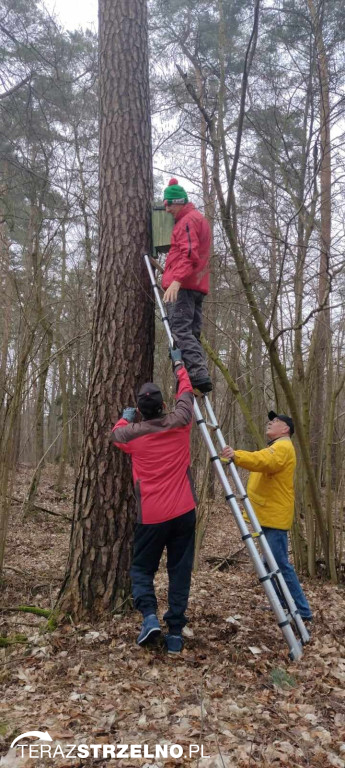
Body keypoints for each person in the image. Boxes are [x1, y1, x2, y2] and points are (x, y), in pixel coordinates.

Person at [111, 348, 197, 654]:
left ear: (140, 411)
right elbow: (186, 392)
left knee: (142, 570)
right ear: (163, 405)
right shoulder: (180, 421)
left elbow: (116, 434)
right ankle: (175, 633)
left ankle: (149, 617)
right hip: (184, 511)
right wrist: (178, 365)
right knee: (180, 570)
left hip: (152, 515)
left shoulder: (132, 435)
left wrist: (125, 417)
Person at [221, 411, 313, 621]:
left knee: (279, 563)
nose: (270, 422)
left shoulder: (283, 447)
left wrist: (237, 455)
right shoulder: (276, 446)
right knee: (268, 564)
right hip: (268, 514)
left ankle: (302, 610)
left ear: (286, 429)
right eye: (270, 419)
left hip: (274, 516)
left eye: (276, 421)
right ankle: (282, 605)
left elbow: (263, 461)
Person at [161, 177, 212, 394]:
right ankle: (191, 379)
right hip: (196, 286)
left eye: (168, 204)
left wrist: (176, 281)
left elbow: (189, 254)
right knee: (191, 333)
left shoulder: (187, 221)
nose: (166, 209)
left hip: (185, 286)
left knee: (180, 332)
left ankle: (198, 376)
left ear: (178, 202)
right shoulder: (197, 219)